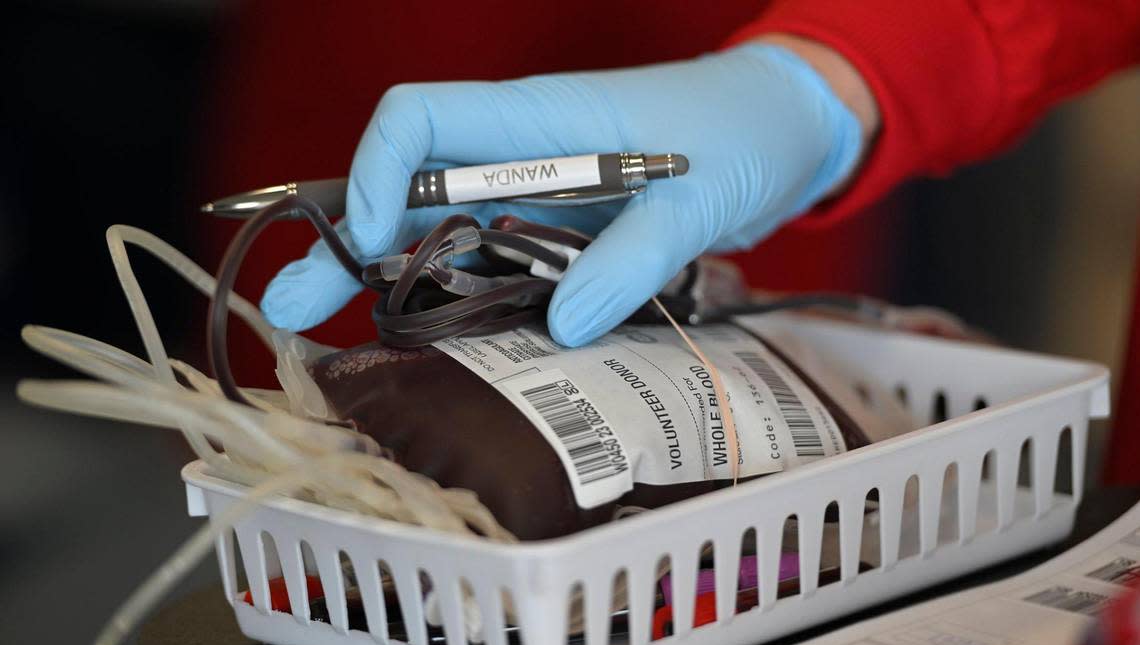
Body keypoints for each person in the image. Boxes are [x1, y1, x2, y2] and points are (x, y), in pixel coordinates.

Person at [201, 1, 1140, 475]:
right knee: (313, 427)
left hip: (716, 37)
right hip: (407, 35)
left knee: (724, 426)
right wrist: (858, 58)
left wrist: (830, 79)